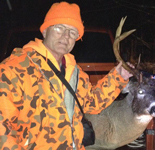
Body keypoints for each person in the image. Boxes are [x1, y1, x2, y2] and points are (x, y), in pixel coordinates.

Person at [0, 1, 133, 150]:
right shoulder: (14, 69)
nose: (66, 36)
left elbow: (92, 103)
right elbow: (2, 130)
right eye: (59, 28)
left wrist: (118, 77)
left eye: (72, 32)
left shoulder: (75, 72)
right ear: (45, 31)